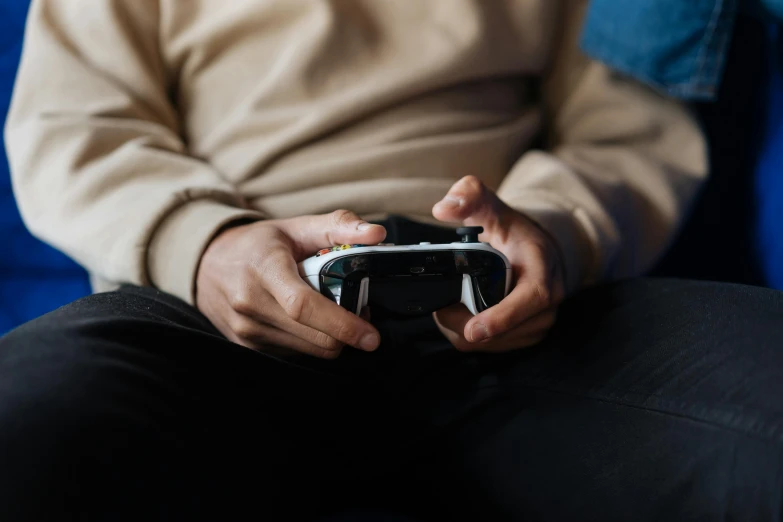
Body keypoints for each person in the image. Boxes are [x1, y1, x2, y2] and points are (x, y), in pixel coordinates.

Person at [1, 1, 782, 520]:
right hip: (215, 304)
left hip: (496, 298)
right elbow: (73, 124)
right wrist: (204, 244)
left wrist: (551, 234)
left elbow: (622, 133)